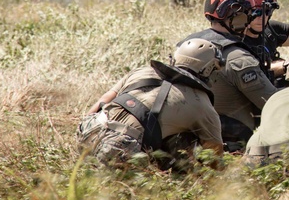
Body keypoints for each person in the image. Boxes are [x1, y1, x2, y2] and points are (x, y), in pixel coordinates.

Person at [77, 38, 224, 170]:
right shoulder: (203, 106)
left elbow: (103, 100)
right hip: (118, 149)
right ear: (208, 69)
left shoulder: (141, 71)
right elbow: (214, 157)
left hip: (90, 130)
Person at [178, 0, 280, 151]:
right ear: (236, 16)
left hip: (187, 142)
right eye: (248, 14)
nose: (250, 20)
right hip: (230, 146)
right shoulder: (238, 58)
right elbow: (274, 104)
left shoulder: (185, 47)